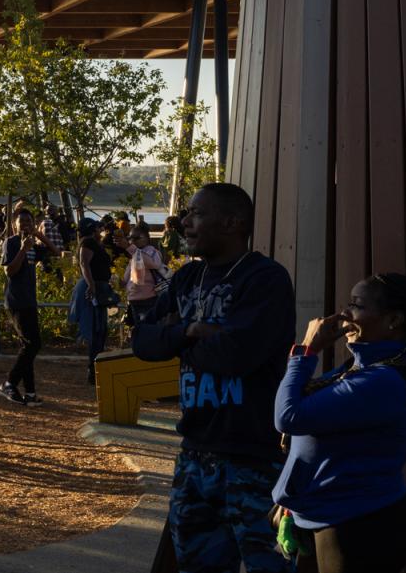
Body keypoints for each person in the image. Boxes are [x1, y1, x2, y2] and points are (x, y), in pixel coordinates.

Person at [132, 182, 295, 573]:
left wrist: (175, 336)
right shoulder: (188, 278)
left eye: (197, 213)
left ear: (232, 222)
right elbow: (142, 340)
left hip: (254, 459)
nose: (185, 222)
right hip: (195, 456)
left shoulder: (265, 279)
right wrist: (188, 333)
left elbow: (235, 355)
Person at [273, 273, 406, 573]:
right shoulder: (368, 367)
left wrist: (306, 350)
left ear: (393, 321)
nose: (344, 313)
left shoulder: (385, 381)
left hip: (356, 529)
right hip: (328, 517)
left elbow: (288, 416)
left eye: (355, 305)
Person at [0, 208, 53, 406]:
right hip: (16, 301)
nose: (26, 225)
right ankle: (9, 383)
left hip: (30, 300)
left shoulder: (33, 245)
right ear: (14, 224)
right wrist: (22, 249)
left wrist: (39, 236)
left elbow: (55, 252)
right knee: (33, 344)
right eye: (22, 222)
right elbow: (10, 271)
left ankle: (30, 393)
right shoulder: (11, 243)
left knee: (27, 346)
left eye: (30, 221)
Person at [74, 223, 116, 384]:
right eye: (99, 228)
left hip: (100, 286)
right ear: (93, 231)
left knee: (100, 330)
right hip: (95, 288)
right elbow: (84, 263)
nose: (102, 231)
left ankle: (96, 366)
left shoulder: (94, 243)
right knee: (96, 328)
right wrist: (91, 285)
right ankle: (93, 369)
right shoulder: (88, 243)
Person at [124, 220, 169, 327]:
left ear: (147, 238)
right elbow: (127, 279)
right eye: (130, 238)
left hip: (148, 299)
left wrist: (131, 249)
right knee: (140, 329)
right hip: (135, 300)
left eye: (136, 238)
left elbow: (154, 263)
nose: (132, 241)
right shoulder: (135, 255)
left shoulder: (151, 251)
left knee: (148, 329)